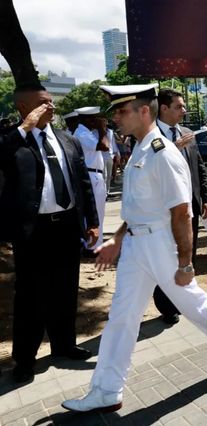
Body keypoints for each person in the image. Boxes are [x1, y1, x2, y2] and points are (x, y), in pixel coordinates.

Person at [62, 83, 207, 413]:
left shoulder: (162, 154)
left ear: (144, 111)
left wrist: (185, 262)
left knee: (192, 303)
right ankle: (106, 390)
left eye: (122, 111)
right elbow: (139, 208)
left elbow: (181, 212)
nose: (116, 118)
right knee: (121, 317)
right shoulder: (138, 149)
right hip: (137, 246)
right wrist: (117, 238)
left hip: (161, 245)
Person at [0, 84, 99, 383]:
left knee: (66, 288)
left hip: (67, 225)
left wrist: (91, 221)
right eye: (43, 103)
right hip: (33, 230)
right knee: (30, 295)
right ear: (24, 107)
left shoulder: (68, 140)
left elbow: (83, 183)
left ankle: (64, 344)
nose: (51, 106)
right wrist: (24, 129)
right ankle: (25, 360)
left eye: (51, 101)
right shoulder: (13, 140)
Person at [153, 88, 207, 325]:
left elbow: (200, 168)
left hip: (189, 208)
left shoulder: (188, 132)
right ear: (164, 108)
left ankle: (184, 299)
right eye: (179, 106)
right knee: (166, 259)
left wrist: (206, 198)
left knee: (187, 257)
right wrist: (174, 148)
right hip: (164, 211)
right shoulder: (150, 135)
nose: (184, 111)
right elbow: (149, 167)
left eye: (184, 106)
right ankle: (166, 307)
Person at [73, 106, 109, 252]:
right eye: (95, 118)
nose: (97, 121)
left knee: (98, 211)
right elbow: (104, 146)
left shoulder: (86, 131)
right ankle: (92, 247)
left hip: (95, 174)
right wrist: (102, 129)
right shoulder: (82, 133)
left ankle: (93, 245)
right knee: (95, 213)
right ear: (87, 119)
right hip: (91, 174)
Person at [101, 120, 120, 196]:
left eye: (105, 122)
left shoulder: (110, 132)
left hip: (110, 155)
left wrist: (117, 153)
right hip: (101, 156)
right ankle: (103, 193)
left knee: (109, 175)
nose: (104, 123)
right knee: (104, 175)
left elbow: (113, 143)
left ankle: (107, 192)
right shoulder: (96, 131)